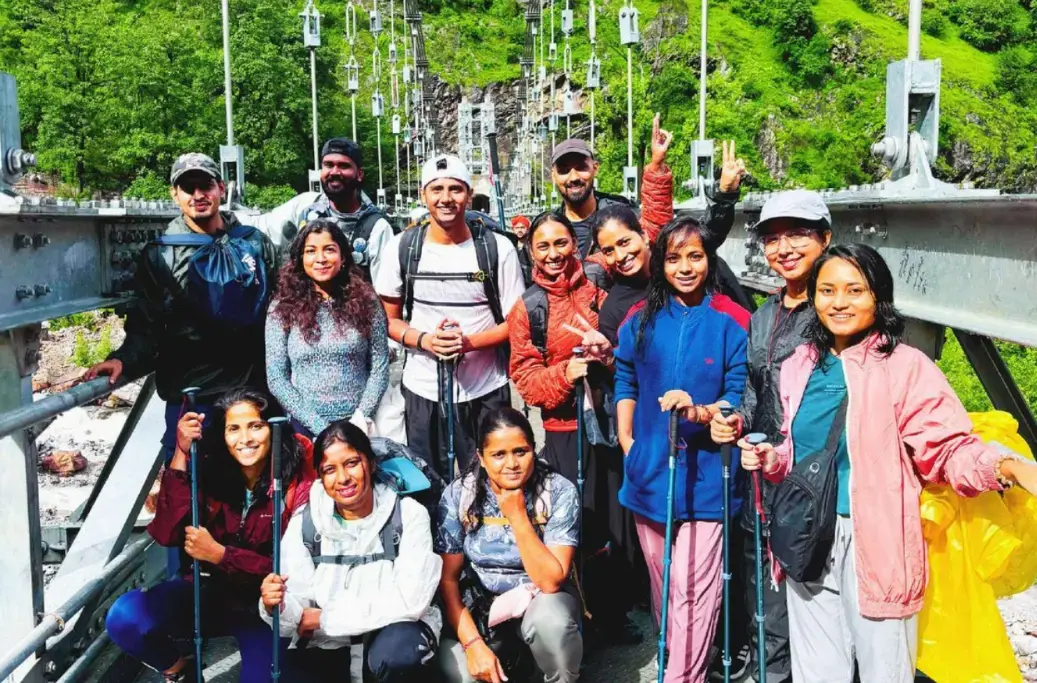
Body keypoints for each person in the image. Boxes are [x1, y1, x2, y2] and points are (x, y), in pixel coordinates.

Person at [739, 243, 1037, 683]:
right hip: (806, 537)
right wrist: (771, 457)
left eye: (854, 290)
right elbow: (796, 452)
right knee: (817, 673)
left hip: (878, 542)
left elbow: (948, 448)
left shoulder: (905, 368)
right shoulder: (800, 364)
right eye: (827, 291)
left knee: (885, 671)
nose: (839, 302)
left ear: (878, 296)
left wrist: (1007, 467)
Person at [614, 217, 750, 683]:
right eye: (673, 258)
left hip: (708, 479)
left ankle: (681, 677)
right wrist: (627, 439)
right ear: (660, 263)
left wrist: (702, 411)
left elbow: (739, 392)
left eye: (695, 256)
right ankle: (680, 661)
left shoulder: (733, 319)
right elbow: (625, 377)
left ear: (710, 260)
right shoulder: (641, 318)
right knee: (665, 586)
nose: (685, 267)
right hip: (649, 473)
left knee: (695, 589)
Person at [708, 190, 832, 683]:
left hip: (817, 487)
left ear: (826, 238)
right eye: (773, 238)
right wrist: (733, 420)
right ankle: (768, 674)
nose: (784, 248)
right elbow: (751, 394)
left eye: (798, 234)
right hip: (764, 487)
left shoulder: (839, 313)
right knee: (766, 602)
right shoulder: (763, 315)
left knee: (818, 606)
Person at [105, 388, 308, 682]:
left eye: (256, 426)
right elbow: (167, 532)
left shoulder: (293, 483)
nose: (245, 439)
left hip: (265, 607)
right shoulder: (211, 472)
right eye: (234, 429)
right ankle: (178, 669)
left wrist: (221, 555)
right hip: (209, 595)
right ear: (222, 436)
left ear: (274, 428)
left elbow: (289, 570)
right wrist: (181, 451)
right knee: (126, 617)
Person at [85, 153, 278, 462]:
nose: (198, 195)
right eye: (188, 188)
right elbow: (146, 323)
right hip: (192, 394)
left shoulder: (255, 243)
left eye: (206, 186)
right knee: (190, 489)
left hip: (252, 391)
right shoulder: (160, 255)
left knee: (257, 489)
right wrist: (123, 359)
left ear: (221, 189)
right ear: (175, 194)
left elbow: (283, 306)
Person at [375, 154, 524, 480]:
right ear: (423, 195)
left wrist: (466, 344)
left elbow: (517, 323)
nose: (446, 198)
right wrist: (426, 341)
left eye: (456, 189)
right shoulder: (402, 248)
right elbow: (388, 320)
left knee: (494, 483)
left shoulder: (497, 249)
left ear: (469, 195)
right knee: (429, 485)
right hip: (422, 391)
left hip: (486, 389)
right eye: (436, 189)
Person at [259, 419, 443, 682]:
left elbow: (409, 602)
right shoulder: (306, 522)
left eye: (352, 463)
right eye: (329, 470)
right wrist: (275, 604)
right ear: (320, 477)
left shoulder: (409, 514)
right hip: (330, 642)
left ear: (371, 462)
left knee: (398, 657)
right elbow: (296, 617)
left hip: (392, 634)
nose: (343, 478)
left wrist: (326, 619)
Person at [436, 408, 583, 683]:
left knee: (551, 626)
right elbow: (448, 581)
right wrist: (472, 645)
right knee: (460, 673)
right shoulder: (460, 494)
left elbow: (551, 581)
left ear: (534, 450)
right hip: (481, 604)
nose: (512, 464)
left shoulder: (559, 491)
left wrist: (517, 515)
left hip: (540, 597)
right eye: (498, 454)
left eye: (521, 451)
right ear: (481, 456)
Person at [593, 140, 751, 348]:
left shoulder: (678, 268)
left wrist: (725, 194)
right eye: (609, 250)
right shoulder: (614, 310)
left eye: (624, 242)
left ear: (643, 234)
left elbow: (705, 237)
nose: (621, 255)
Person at [265, 218, 390, 439]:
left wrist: (360, 419)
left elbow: (379, 366)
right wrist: (321, 428)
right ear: (300, 258)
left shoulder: (368, 302)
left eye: (329, 250)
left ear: (342, 257)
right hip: (305, 427)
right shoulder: (282, 306)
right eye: (311, 251)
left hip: (358, 425)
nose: (320, 259)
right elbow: (276, 377)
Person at [258, 138, 395, 282]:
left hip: (358, 303)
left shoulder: (377, 228)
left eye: (344, 166)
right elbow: (264, 228)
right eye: (328, 165)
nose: (335, 172)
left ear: (359, 174)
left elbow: (386, 294)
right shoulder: (305, 209)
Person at [549, 115, 675, 259]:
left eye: (581, 167)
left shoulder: (623, 214)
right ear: (553, 176)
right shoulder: (548, 228)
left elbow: (656, 231)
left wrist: (657, 166)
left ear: (595, 168)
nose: (574, 177)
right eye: (564, 170)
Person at [511, 214, 534, 287]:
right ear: (513, 229)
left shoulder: (532, 245)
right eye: (517, 228)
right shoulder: (510, 245)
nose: (519, 230)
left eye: (522, 227)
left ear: (527, 229)